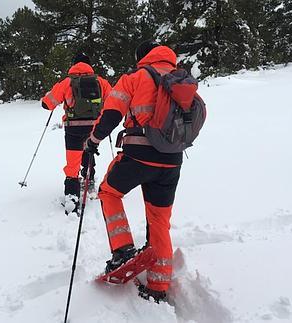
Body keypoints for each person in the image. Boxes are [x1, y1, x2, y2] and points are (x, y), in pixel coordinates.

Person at [84, 41, 193, 302]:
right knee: (159, 220)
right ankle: (157, 287)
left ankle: (122, 250)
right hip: (173, 161)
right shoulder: (181, 79)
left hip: (139, 156)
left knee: (108, 192)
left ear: (141, 57)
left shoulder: (135, 78)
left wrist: (92, 141)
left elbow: (110, 115)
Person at [41, 52, 112, 214]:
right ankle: (89, 180)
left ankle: (72, 197)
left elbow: (47, 104)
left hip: (73, 128)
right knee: (89, 152)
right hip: (94, 127)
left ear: (73, 64)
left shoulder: (67, 82)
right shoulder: (100, 82)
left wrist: (47, 99)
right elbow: (113, 99)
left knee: (73, 161)